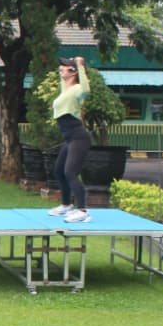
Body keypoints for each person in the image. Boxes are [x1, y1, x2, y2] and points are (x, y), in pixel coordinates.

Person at [46, 57, 92, 223]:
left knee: (70, 172)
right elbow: (62, 81)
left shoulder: (78, 88)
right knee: (59, 170)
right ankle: (66, 205)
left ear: (73, 71)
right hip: (70, 138)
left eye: (65, 67)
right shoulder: (65, 90)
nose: (61, 68)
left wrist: (80, 65)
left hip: (79, 137)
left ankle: (83, 211)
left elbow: (86, 89)